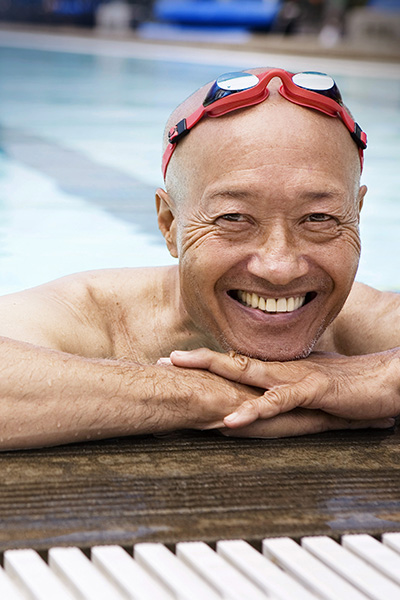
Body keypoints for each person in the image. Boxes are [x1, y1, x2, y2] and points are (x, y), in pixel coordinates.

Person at [0, 67, 398, 450]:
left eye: (318, 219)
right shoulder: (92, 317)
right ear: (170, 224)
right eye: (234, 218)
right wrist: (204, 396)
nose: (279, 267)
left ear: (357, 216)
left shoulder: (361, 322)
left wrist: (384, 380)